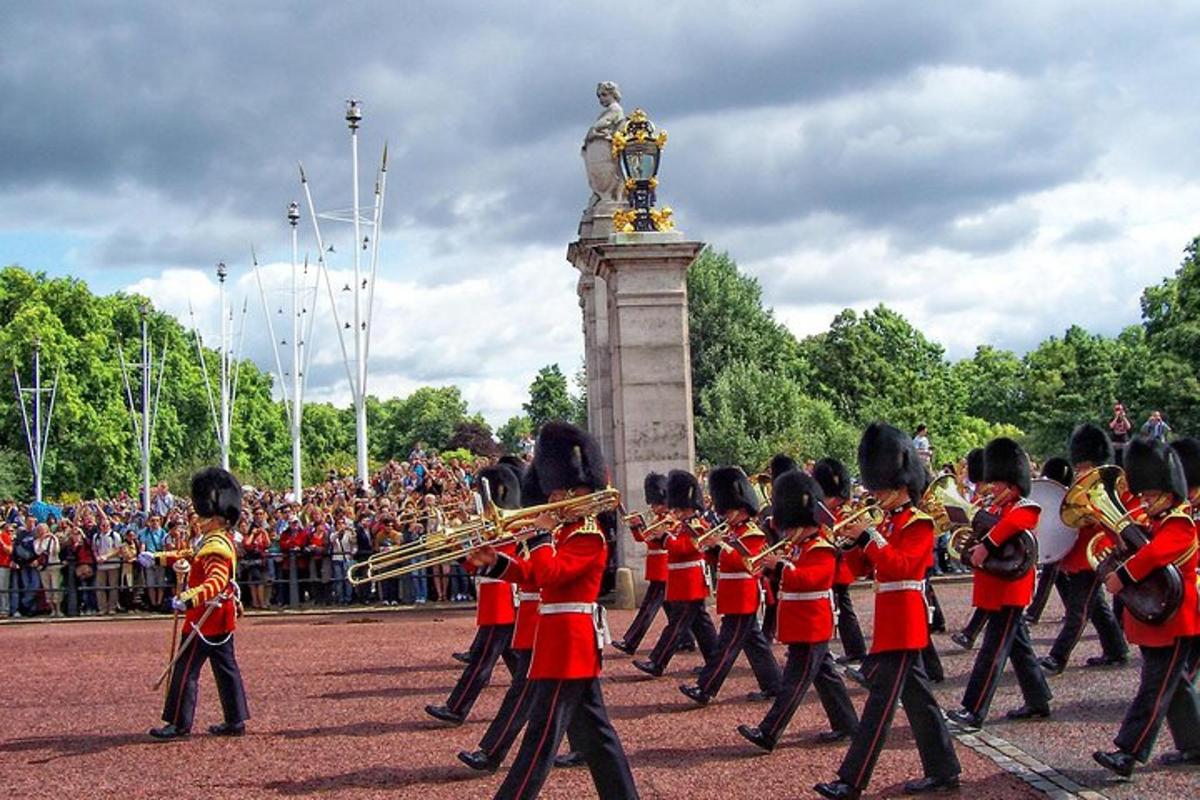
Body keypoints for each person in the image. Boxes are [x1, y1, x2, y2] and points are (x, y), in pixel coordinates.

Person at [468, 422, 638, 800]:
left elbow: (551, 574)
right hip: (560, 644)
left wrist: (541, 537)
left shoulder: (588, 535)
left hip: (568, 645)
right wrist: (495, 563)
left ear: (584, 491)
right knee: (597, 737)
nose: (555, 496)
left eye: (565, 490)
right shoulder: (564, 533)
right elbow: (530, 576)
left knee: (539, 743)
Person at [814, 423, 960, 799]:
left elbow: (901, 566)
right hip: (891, 621)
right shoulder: (889, 522)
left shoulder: (919, 524)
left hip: (906, 621)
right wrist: (844, 548)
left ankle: (851, 780)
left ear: (902, 485)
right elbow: (864, 568)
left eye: (881, 488)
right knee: (919, 701)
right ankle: (944, 768)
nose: (875, 495)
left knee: (878, 709)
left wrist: (869, 537)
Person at [459, 464, 584, 773]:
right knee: (577, 701)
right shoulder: (536, 528)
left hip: (551, 622)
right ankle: (586, 747)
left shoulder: (568, 533)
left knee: (525, 692)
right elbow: (524, 571)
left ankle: (491, 752)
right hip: (534, 619)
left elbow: (545, 574)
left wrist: (539, 537)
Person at [1092, 437, 1200, 776]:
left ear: (1169, 494)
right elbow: (1136, 548)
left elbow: (1153, 556)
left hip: (1176, 617)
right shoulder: (1153, 523)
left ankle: (1128, 752)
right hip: (1160, 616)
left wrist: (1121, 576)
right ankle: (1195, 745)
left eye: (1151, 496)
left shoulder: (1179, 524)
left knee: (1154, 688)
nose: (1145, 501)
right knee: (1175, 684)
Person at [736, 469, 857, 751]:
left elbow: (811, 580)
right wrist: (772, 570)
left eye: (790, 526)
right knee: (825, 676)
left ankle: (769, 732)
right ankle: (848, 724)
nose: (786, 531)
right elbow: (790, 579)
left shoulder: (821, 547)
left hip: (812, 623)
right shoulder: (799, 547)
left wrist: (779, 566)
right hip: (800, 622)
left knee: (794, 683)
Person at [947, 438, 1053, 731]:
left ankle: (974, 709)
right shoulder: (994, 507)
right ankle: (1038, 700)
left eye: (997, 483)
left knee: (992, 651)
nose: (991, 488)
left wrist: (988, 544)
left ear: (1014, 484)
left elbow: (1016, 524)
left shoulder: (1024, 507)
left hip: (1011, 591)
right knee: (1019, 648)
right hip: (995, 587)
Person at [139, 466, 249, 740]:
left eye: (203, 514)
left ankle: (178, 723)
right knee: (226, 670)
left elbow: (215, 584)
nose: (198, 519)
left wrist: (187, 599)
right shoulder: (214, 540)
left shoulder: (217, 546)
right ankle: (235, 720)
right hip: (218, 618)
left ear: (217, 517)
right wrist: (158, 558)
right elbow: (190, 554)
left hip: (204, 619)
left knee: (185, 670)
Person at [425, 465, 521, 726]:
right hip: (493, 597)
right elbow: (473, 565)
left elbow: (495, 561)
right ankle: (529, 696)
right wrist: (456, 549)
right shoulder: (493, 527)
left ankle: (457, 708)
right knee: (518, 663)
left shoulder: (510, 527)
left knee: (481, 661)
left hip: (502, 598)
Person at [677, 467, 781, 705]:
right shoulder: (731, 531)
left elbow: (748, 563)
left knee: (726, 647)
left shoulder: (752, 532)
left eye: (729, 510)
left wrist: (721, 545)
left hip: (743, 596)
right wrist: (712, 549)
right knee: (754, 643)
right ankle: (774, 685)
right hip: (733, 596)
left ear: (742, 509)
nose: (724, 515)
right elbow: (723, 562)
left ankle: (705, 688)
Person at [1038, 425, 1129, 675]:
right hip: (1077, 555)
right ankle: (1116, 650)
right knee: (1096, 606)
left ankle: (1058, 657)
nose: (1080, 471)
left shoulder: (1105, 487)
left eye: (1085, 466)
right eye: (1078, 467)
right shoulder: (1079, 488)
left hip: (1095, 555)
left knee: (1078, 610)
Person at [633, 470, 720, 678]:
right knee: (702, 625)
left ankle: (657, 662)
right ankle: (714, 663)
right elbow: (657, 541)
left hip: (690, 581)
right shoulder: (682, 525)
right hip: (682, 580)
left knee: (677, 625)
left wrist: (666, 538)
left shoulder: (697, 525)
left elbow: (687, 548)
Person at [612, 473, 676, 655]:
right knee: (673, 609)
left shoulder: (670, 520)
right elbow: (643, 538)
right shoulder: (658, 519)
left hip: (663, 568)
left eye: (656, 503)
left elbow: (655, 539)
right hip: (656, 566)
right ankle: (686, 639)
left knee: (648, 608)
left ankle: (630, 641)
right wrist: (634, 525)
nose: (653, 507)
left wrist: (642, 526)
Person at [811, 458, 867, 665]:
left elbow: (846, 542)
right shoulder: (830, 511)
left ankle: (856, 650)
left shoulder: (845, 513)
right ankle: (854, 649)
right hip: (832, 566)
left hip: (840, 567)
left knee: (843, 610)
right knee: (840, 610)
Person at [34, 523, 63, 616]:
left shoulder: (53, 539)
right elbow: (38, 551)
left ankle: (58, 610)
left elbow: (55, 551)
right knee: (47, 588)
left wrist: (53, 538)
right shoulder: (36, 541)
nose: (42, 531)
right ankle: (52, 610)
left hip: (54, 565)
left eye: (43, 529)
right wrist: (42, 540)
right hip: (43, 567)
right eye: (40, 530)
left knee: (55, 587)